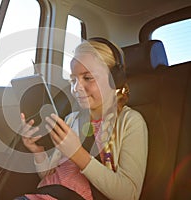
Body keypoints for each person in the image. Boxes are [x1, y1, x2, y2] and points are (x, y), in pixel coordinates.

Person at [16, 37, 148, 200]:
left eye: (87, 78)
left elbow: (129, 194)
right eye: (73, 80)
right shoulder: (72, 119)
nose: (76, 88)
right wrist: (39, 152)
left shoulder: (130, 122)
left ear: (114, 79)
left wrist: (78, 154)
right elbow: (47, 174)